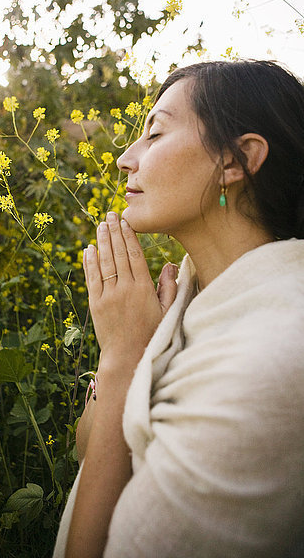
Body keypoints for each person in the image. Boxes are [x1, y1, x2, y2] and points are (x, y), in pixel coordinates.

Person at [53, 60, 304, 558]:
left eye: (155, 134)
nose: (125, 159)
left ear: (237, 160)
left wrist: (126, 357)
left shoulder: (265, 364)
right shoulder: (190, 291)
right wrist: (126, 353)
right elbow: (90, 449)